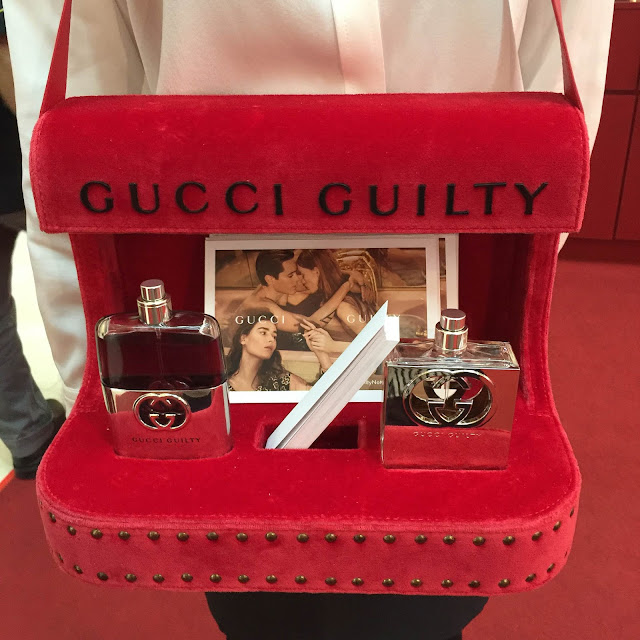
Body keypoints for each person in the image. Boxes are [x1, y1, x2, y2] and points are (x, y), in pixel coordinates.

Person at [4, 1, 614, 638]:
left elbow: (565, 91)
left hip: (465, 272)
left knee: (435, 603)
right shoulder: (264, 314)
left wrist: (519, 248)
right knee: (253, 606)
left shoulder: (317, 301)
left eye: (301, 271)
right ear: (269, 284)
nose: (298, 277)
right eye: (289, 273)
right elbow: (65, 119)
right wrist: (96, 390)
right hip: (200, 293)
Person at [0, 7, 64, 480]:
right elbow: (7, 60)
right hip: (22, 169)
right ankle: (107, 418)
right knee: (86, 284)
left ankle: (26, 433)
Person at [226, 311, 332, 392]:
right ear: (243, 339)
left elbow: (324, 397)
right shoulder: (222, 383)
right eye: (263, 333)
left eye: (274, 336)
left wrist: (322, 354)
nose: (271, 339)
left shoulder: (281, 380)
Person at [292, 248, 377, 339]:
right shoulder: (330, 296)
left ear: (316, 272)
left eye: (303, 274)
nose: (303, 281)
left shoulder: (344, 307)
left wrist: (332, 345)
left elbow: (372, 341)